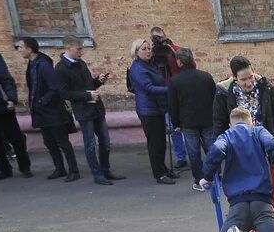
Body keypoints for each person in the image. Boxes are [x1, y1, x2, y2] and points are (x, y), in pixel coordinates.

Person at [213, 56, 274, 224]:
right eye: (243, 79)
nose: (249, 82)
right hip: (241, 154)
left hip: (266, 150)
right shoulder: (224, 94)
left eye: (250, 77)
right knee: (247, 198)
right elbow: (219, 125)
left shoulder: (266, 88)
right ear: (235, 78)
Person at [53, 35, 123, 186]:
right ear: (68, 48)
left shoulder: (81, 63)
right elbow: (64, 93)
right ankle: (97, 174)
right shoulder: (60, 69)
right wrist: (87, 95)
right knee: (90, 143)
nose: (81, 52)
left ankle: (106, 170)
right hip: (84, 111)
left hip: (96, 107)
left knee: (106, 142)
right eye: (78, 49)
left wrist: (98, 81)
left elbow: (89, 84)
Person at [18, 37, 79, 182]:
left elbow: (54, 88)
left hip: (53, 112)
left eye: (21, 47)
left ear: (29, 49)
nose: (19, 50)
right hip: (41, 112)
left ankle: (73, 170)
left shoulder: (43, 65)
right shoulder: (32, 64)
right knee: (49, 142)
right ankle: (60, 168)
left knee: (62, 142)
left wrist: (41, 101)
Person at [167, 48, 217, 191]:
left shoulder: (174, 81)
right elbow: (215, 98)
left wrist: (176, 123)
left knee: (193, 152)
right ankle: (215, 175)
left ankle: (200, 179)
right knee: (211, 149)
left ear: (180, 62)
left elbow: (173, 105)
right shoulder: (206, 77)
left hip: (188, 123)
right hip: (208, 119)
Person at [127, 38, 175, 184]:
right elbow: (148, 88)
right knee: (155, 143)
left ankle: (164, 169)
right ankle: (159, 174)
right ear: (136, 53)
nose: (148, 51)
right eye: (144, 49)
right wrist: (170, 90)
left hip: (157, 108)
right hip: (148, 110)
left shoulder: (150, 65)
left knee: (161, 141)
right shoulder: (137, 68)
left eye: (149, 48)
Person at [0, 31, 31, 180]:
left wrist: (12, 99)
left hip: (3, 106)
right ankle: (5, 169)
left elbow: (6, 79)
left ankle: (24, 167)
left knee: (15, 138)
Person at [148, 25, 188, 170]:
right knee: (172, 128)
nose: (159, 39)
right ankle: (181, 157)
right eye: (156, 37)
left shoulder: (174, 49)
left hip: (180, 91)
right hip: (166, 93)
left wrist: (170, 47)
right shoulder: (153, 53)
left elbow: (187, 62)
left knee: (186, 125)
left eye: (161, 36)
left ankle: (192, 154)